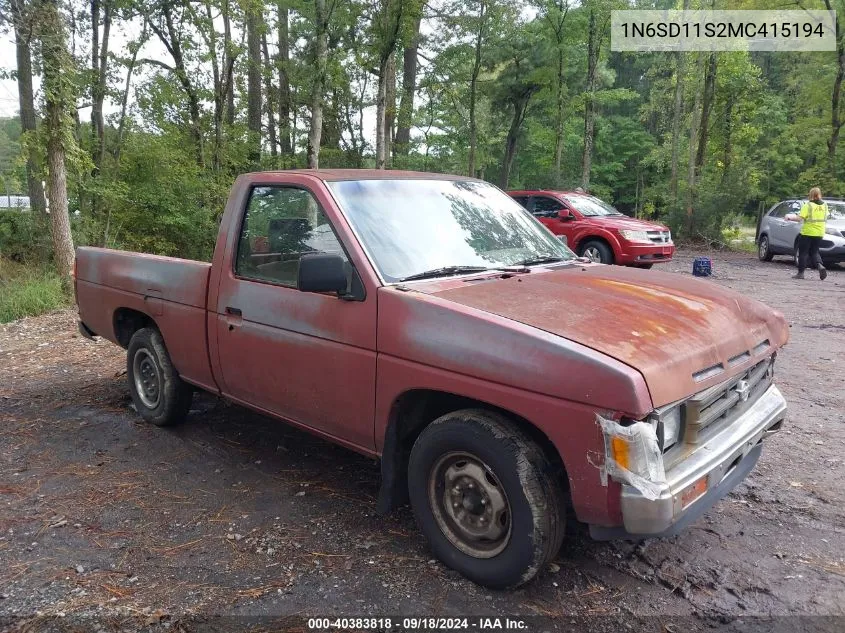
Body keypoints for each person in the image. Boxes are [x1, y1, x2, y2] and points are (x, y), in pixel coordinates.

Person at [787, 187, 828, 280]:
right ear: (819, 194)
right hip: (820, 232)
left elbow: (799, 218)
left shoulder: (808, 205)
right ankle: (820, 265)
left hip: (808, 232)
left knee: (803, 253)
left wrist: (789, 217)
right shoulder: (825, 205)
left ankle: (800, 273)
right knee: (814, 251)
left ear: (811, 194)